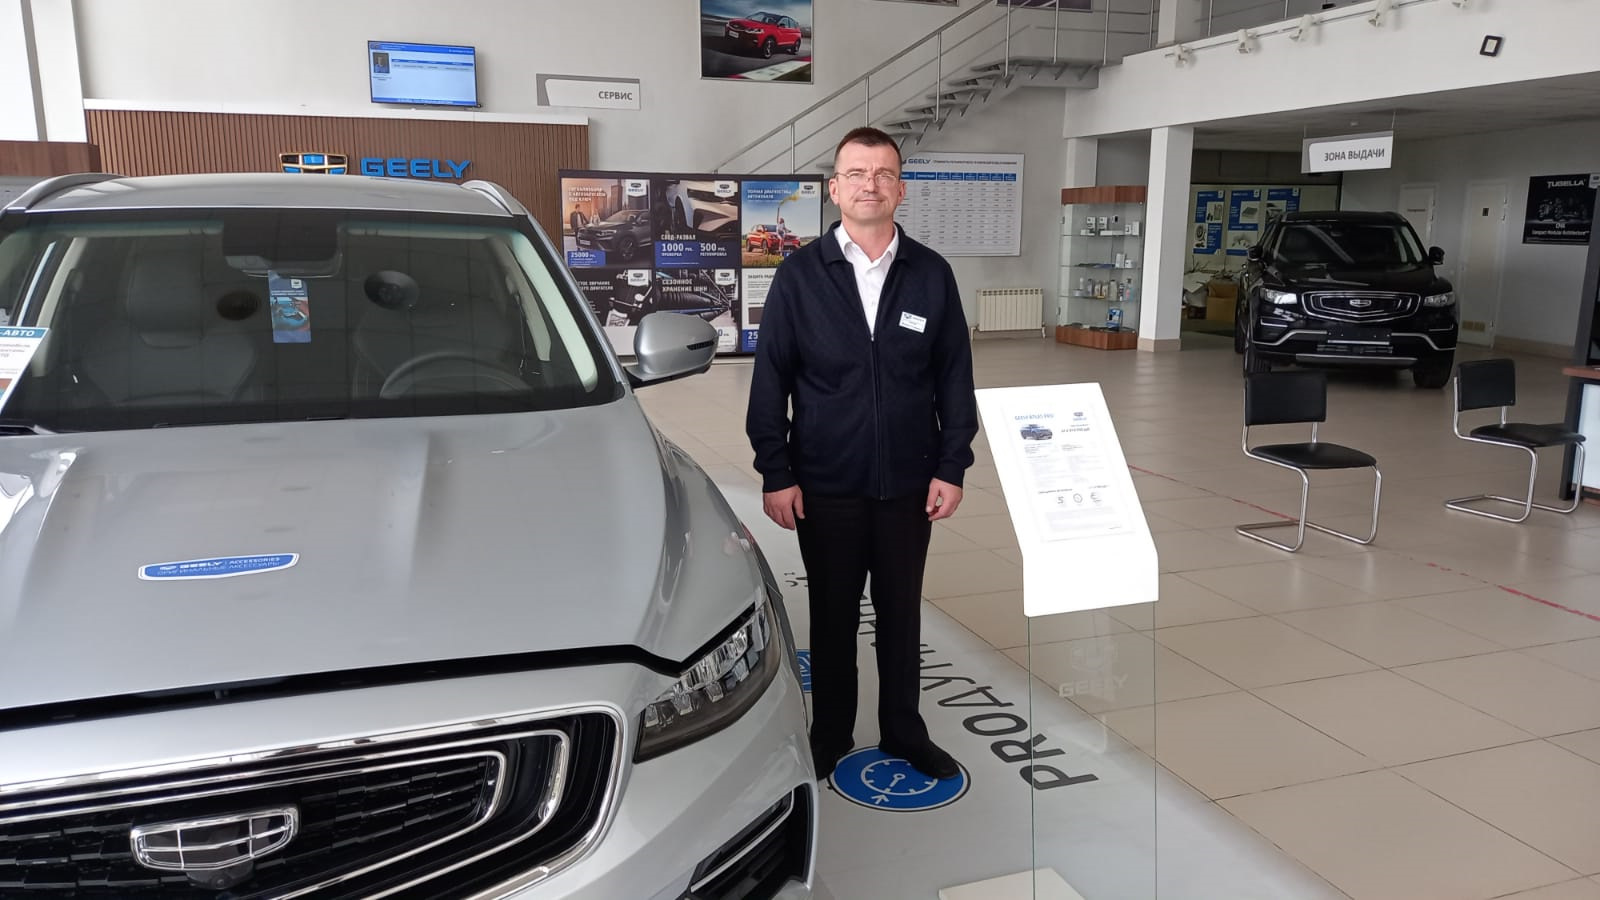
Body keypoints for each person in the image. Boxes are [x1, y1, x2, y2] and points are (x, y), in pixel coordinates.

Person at [745, 126, 978, 782]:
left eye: (882, 174)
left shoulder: (930, 274)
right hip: (826, 483)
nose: (869, 185)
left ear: (900, 189)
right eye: (856, 173)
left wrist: (951, 465)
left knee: (901, 614)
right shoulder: (799, 275)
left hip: (909, 483)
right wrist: (776, 471)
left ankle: (903, 730)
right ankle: (832, 731)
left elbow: (954, 378)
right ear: (834, 188)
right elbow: (771, 381)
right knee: (833, 614)